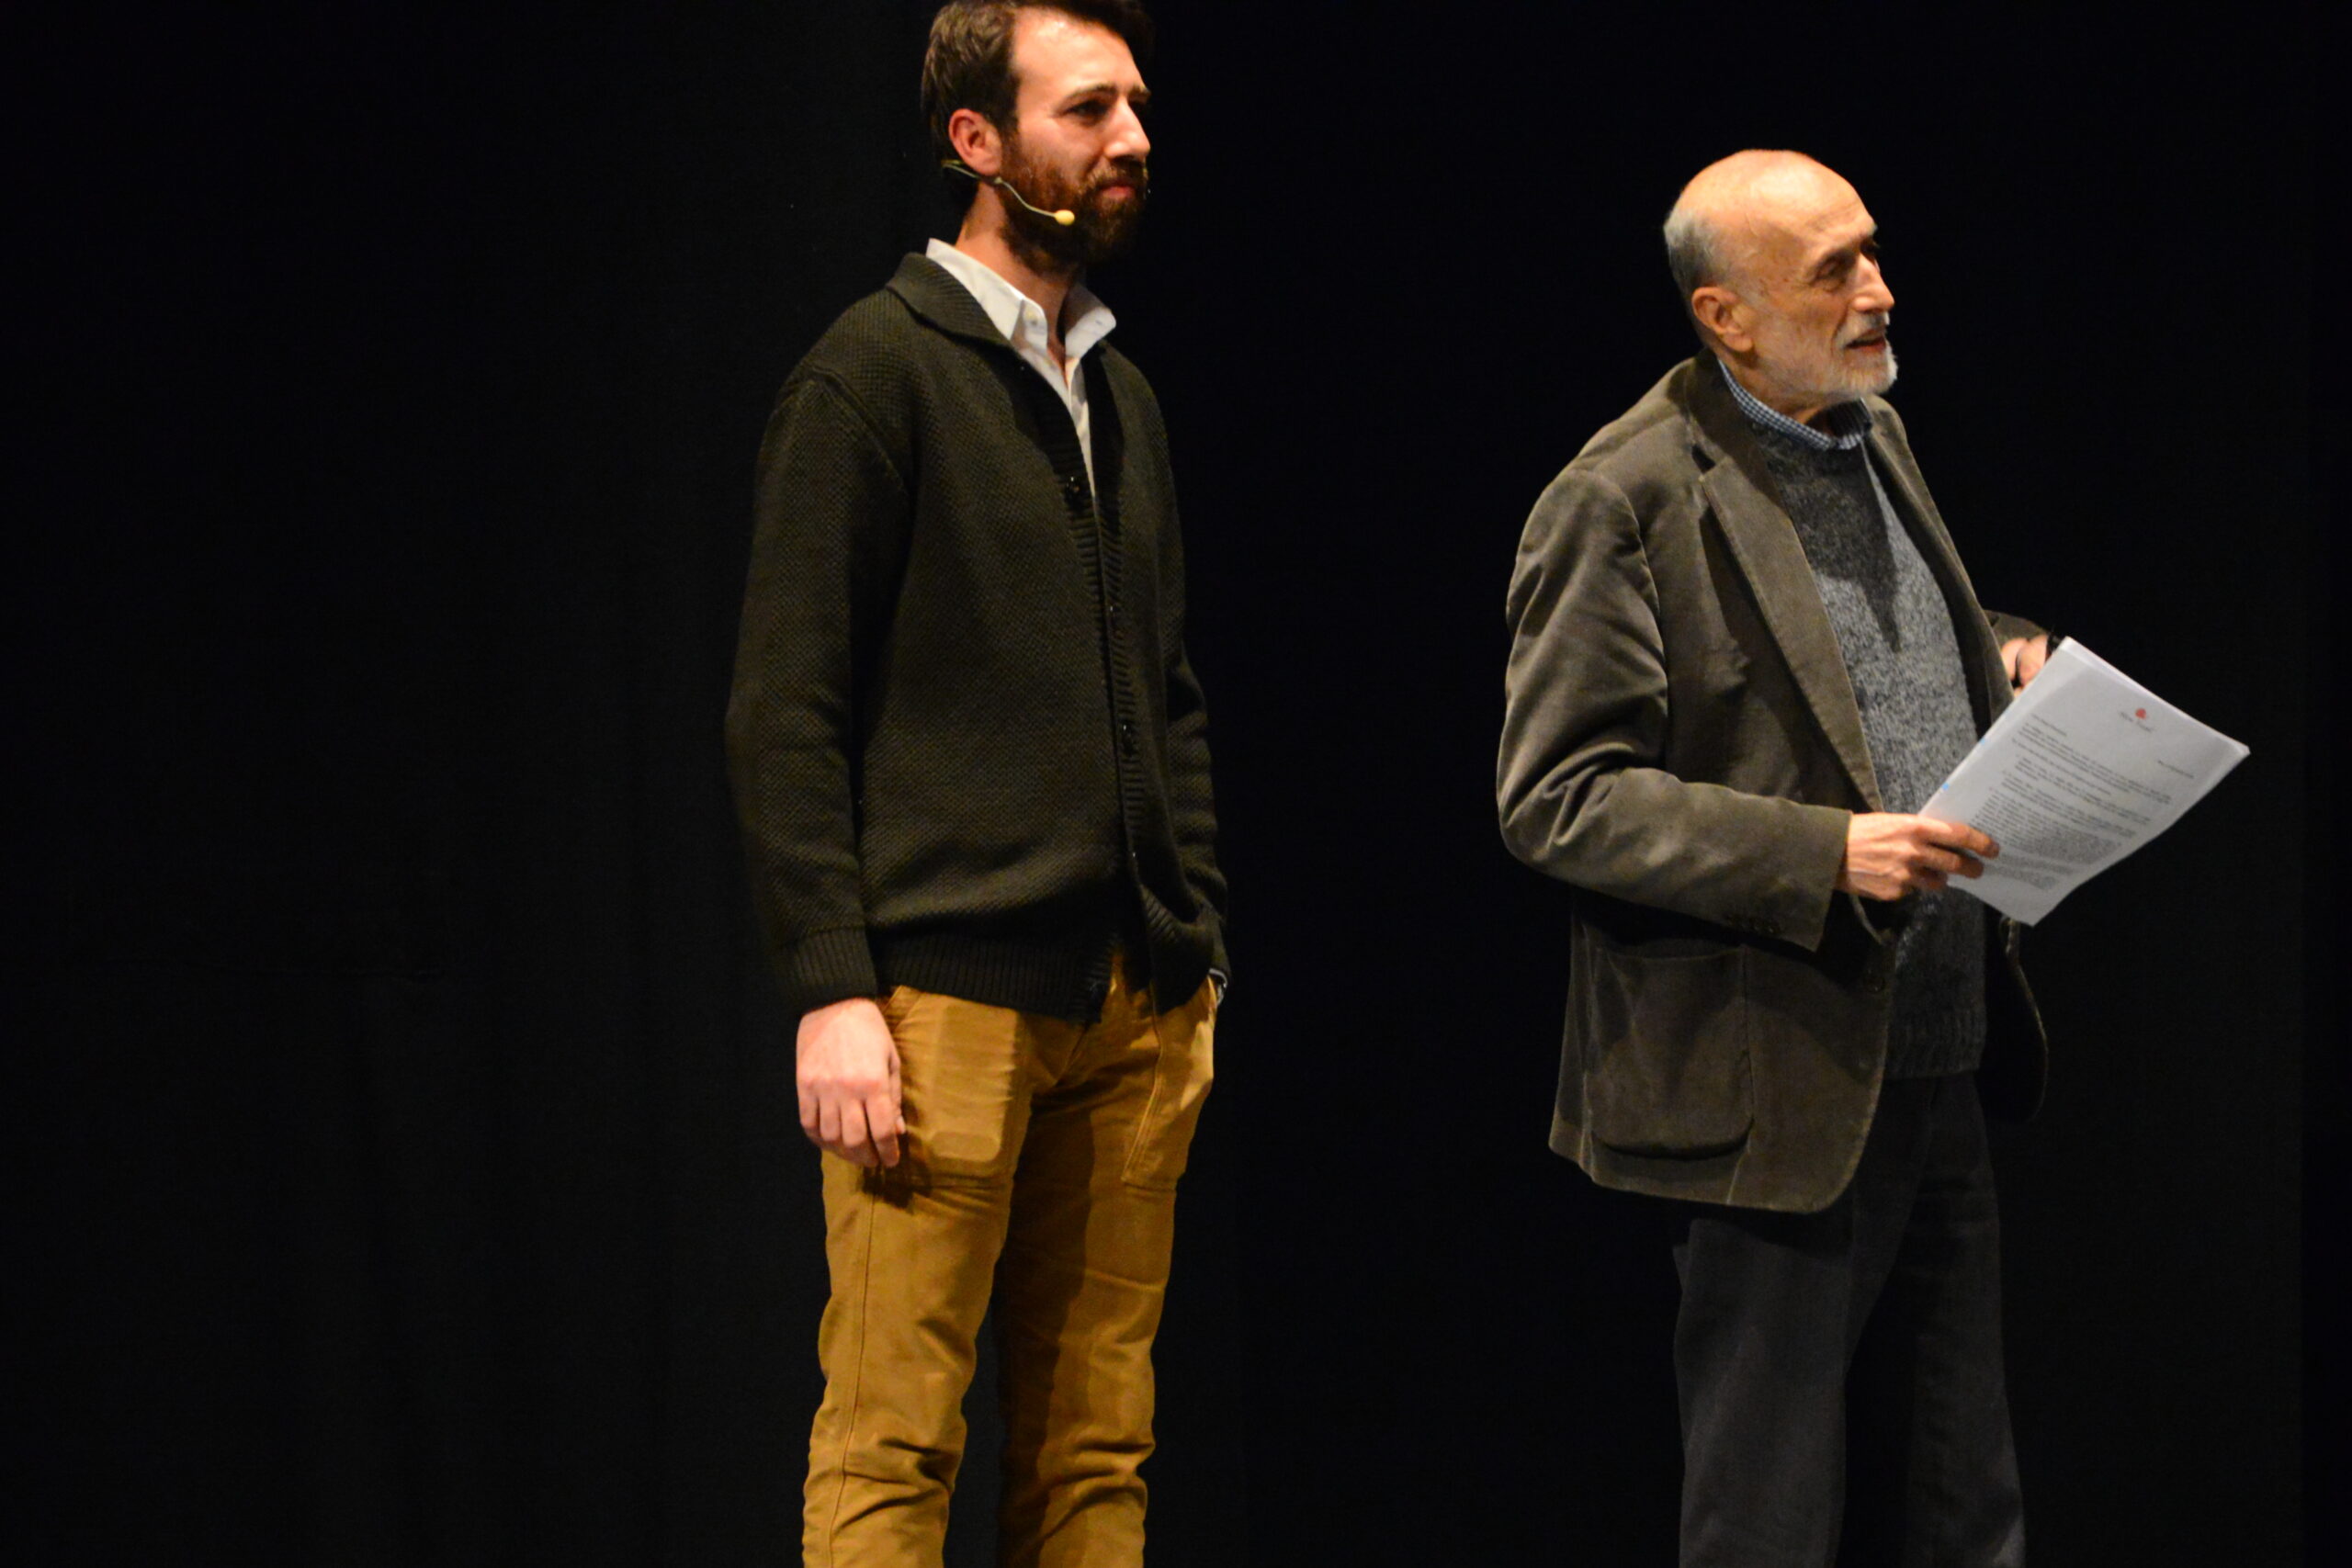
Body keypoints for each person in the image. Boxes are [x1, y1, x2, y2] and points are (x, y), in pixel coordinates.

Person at [1497, 150, 2052, 1566]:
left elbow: (1847, 663)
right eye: (1833, 271)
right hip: (1776, 1082)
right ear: (1725, 317)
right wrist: (1826, 853)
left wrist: (1993, 658)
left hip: (1938, 1046)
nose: (1879, 290)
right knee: (1769, 1516)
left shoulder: (1874, 435)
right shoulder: (1622, 496)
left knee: (1966, 1497)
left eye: (1872, 251)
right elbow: (1559, 796)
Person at [724, 4, 1226, 1562]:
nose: (1133, 137)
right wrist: (832, 984)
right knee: (893, 1440)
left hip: (1134, 1002)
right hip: (946, 1001)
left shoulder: (1119, 396)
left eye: (1135, 103)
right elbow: (786, 709)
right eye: (1088, 109)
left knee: (1097, 1452)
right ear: (977, 142)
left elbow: (1166, 691)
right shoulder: (872, 375)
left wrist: (1194, 939)